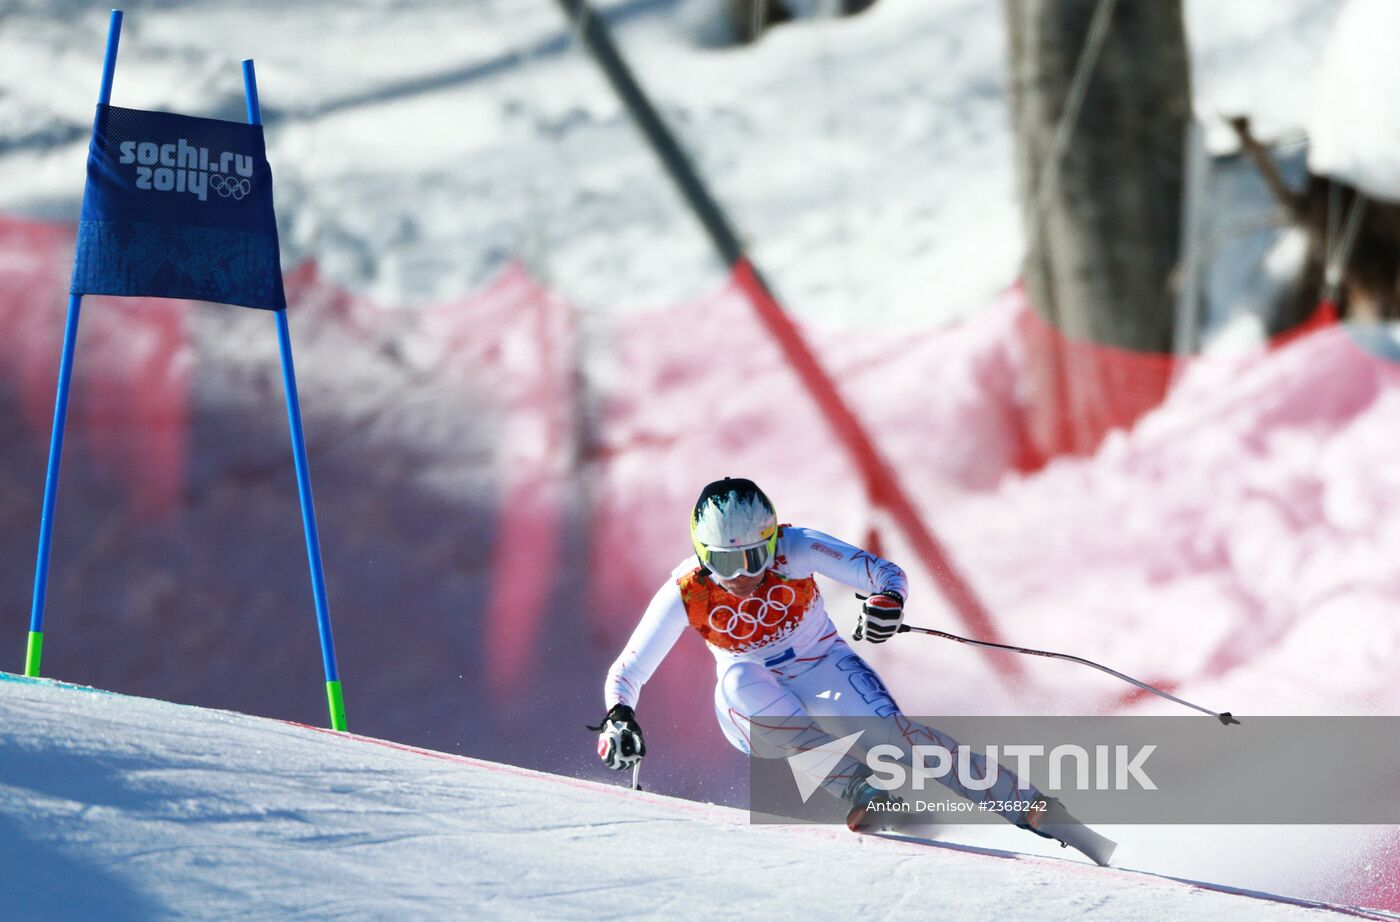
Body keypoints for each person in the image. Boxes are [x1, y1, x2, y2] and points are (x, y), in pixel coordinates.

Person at [592, 477, 1115, 864]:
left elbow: (884, 573)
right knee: (741, 680)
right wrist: (620, 716)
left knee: (899, 739)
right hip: (752, 707)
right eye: (727, 565)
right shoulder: (687, 591)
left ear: (774, 542)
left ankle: (1033, 808)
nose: (745, 577)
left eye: (756, 558)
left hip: (825, 669)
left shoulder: (796, 549)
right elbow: (628, 670)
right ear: (704, 558)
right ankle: (858, 787)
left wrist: (888, 601)